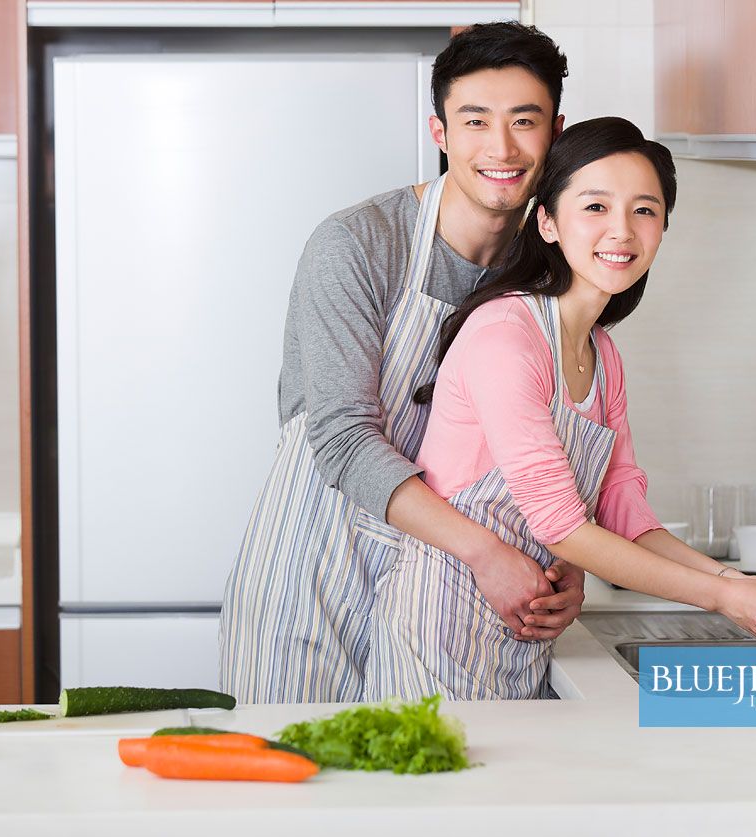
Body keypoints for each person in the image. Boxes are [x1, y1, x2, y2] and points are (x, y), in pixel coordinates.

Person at [363, 117, 756, 702]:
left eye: (644, 210)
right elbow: (561, 526)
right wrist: (719, 597)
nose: (622, 232)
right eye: (596, 207)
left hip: (522, 629)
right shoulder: (506, 336)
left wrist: (739, 583)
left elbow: (623, 508)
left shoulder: (601, 353)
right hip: (437, 628)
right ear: (548, 222)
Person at [217, 23, 584, 704]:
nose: (500, 148)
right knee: (293, 797)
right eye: (475, 121)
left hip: (441, 598)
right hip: (313, 571)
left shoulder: (550, 266)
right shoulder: (356, 245)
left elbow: (544, 442)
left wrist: (565, 562)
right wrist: (486, 552)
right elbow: (344, 437)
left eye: (523, 122)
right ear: (440, 132)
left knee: (424, 804)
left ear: (555, 133)